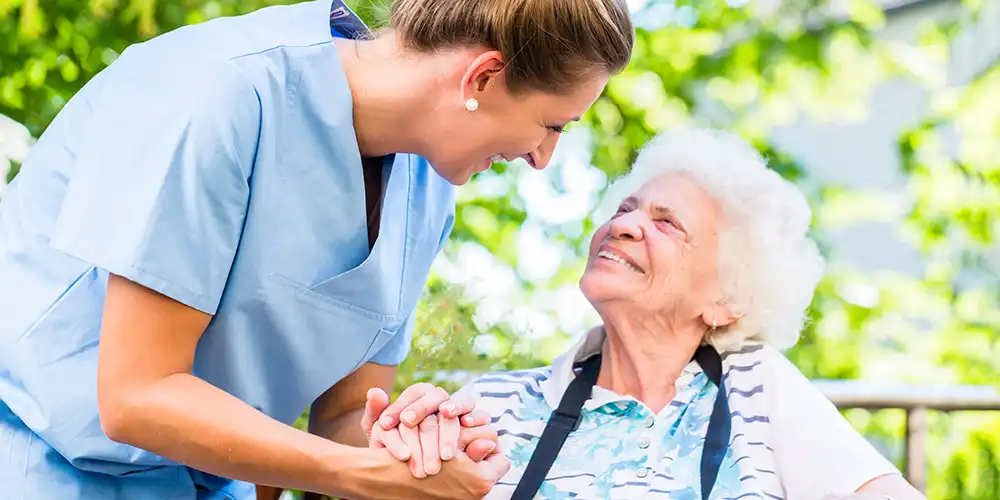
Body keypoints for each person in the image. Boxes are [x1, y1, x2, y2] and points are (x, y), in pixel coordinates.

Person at [0, 0, 634, 498]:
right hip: (39, 466)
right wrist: (352, 475)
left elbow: (345, 414)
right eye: (552, 125)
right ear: (484, 75)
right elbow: (137, 395)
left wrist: (415, 446)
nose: (542, 159)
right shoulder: (219, 93)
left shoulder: (427, 189)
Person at [373, 128, 927, 499]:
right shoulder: (494, 406)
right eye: (625, 208)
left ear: (725, 301)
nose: (625, 225)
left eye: (668, 224)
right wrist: (407, 458)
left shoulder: (756, 387)